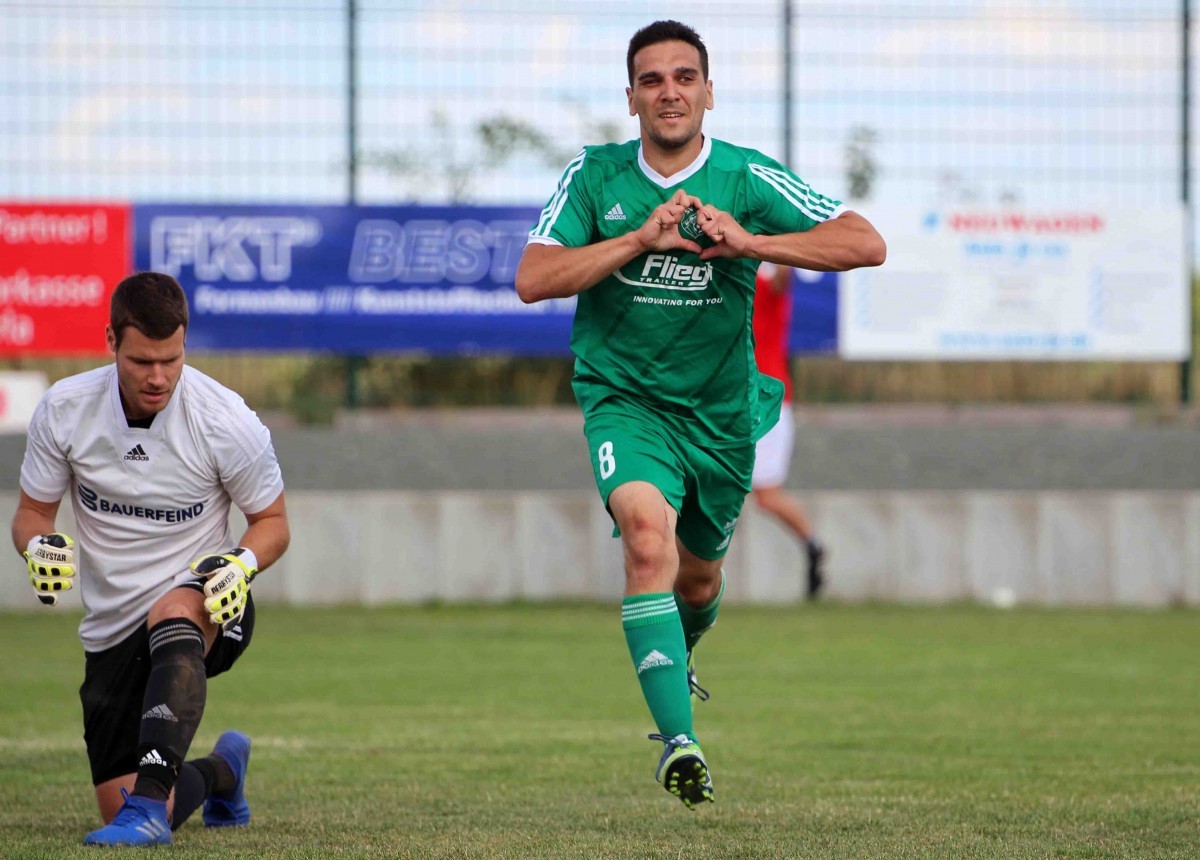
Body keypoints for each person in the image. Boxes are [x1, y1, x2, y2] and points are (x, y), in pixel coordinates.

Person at [515, 19, 884, 809]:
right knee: (646, 540)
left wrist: (750, 241)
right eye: (653, 80)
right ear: (631, 98)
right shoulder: (595, 176)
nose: (670, 91)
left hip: (719, 416)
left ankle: (679, 654)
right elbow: (534, 277)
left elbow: (865, 241)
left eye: (685, 77)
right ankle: (679, 743)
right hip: (625, 401)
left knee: (699, 573)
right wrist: (639, 239)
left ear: (709, 93)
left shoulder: (747, 178)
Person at [12, 272, 290, 846]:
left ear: (184, 344)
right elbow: (32, 516)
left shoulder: (225, 419)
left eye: (172, 358)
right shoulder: (64, 411)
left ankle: (145, 813)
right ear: (110, 340)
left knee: (175, 609)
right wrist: (37, 546)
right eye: (142, 361)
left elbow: (273, 524)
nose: (159, 376)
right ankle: (222, 772)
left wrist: (240, 566)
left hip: (206, 604)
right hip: (112, 628)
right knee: (120, 801)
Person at [750, 261, 827, 598]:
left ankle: (812, 545)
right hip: (729, 400)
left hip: (768, 399)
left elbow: (783, 275)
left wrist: (778, 241)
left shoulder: (769, 281)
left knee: (766, 496)